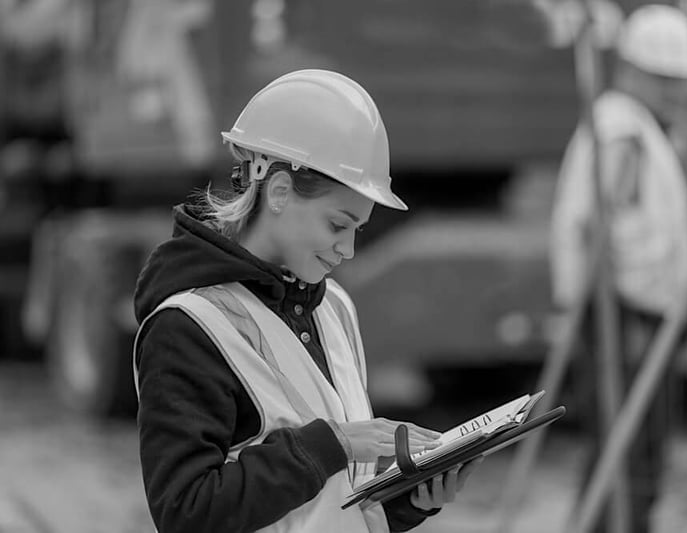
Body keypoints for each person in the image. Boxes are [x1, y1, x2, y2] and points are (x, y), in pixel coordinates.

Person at [133, 69, 482, 533]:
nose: (349, 249)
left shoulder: (334, 308)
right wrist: (330, 444)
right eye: (337, 225)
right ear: (278, 191)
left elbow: (332, 499)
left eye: (358, 230)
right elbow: (187, 513)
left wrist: (408, 500)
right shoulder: (187, 326)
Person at [550, 5, 687, 532]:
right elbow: (599, 223)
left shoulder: (632, 123)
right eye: (667, 80)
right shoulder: (623, 129)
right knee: (629, 453)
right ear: (634, 70)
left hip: (632, 315)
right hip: (625, 317)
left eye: (680, 81)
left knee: (628, 450)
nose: (677, 93)